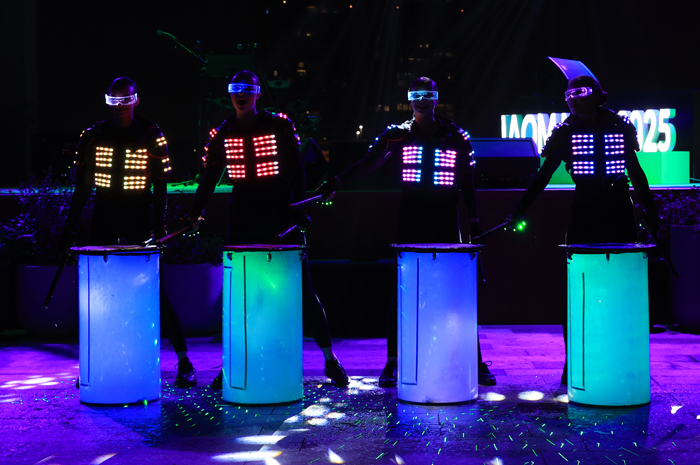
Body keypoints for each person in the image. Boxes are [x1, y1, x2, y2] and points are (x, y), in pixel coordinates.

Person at [318, 76, 496, 387]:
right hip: (411, 216)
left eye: (428, 94)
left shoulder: (455, 136)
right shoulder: (397, 135)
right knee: (401, 288)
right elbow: (368, 163)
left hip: (445, 217)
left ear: (436, 98)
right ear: (409, 100)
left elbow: (467, 182)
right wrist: (337, 181)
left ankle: (475, 360)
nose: (422, 100)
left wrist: (475, 221)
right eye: (416, 95)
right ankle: (392, 362)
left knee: (455, 290)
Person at [187, 70, 349, 388]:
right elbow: (209, 178)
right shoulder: (222, 133)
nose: (241, 94)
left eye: (247, 89)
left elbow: (297, 171)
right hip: (242, 217)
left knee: (303, 289)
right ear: (229, 94)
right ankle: (233, 364)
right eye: (236, 89)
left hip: (280, 214)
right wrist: (194, 212)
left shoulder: (279, 126)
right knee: (239, 292)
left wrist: (299, 208)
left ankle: (330, 360)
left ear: (258, 94)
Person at [510, 75, 660, 383]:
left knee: (620, 283)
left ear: (596, 94)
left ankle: (619, 356)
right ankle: (574, 360)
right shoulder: (565, 131)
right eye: (568, 94)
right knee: (577, 285)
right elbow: (545, 172)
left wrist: (650, 211)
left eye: (579, 92)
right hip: (585, 209)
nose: (572, 98)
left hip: (618, 208)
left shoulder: (618, 125)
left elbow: (635, 170)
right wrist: (521, 205)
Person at [60, 76, 197, 388]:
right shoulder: (94, 136)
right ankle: (98, 363)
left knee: (155, 290)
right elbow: (83, 188)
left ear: (136, 100)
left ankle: (184, 361)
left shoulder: (151, 134)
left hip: (139, 215)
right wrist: (69, 229)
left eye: (125, 100)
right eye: (114, 100)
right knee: (99, 292)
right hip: (104, 215)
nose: (120, 106)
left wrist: (158, 223)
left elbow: (160, 185)